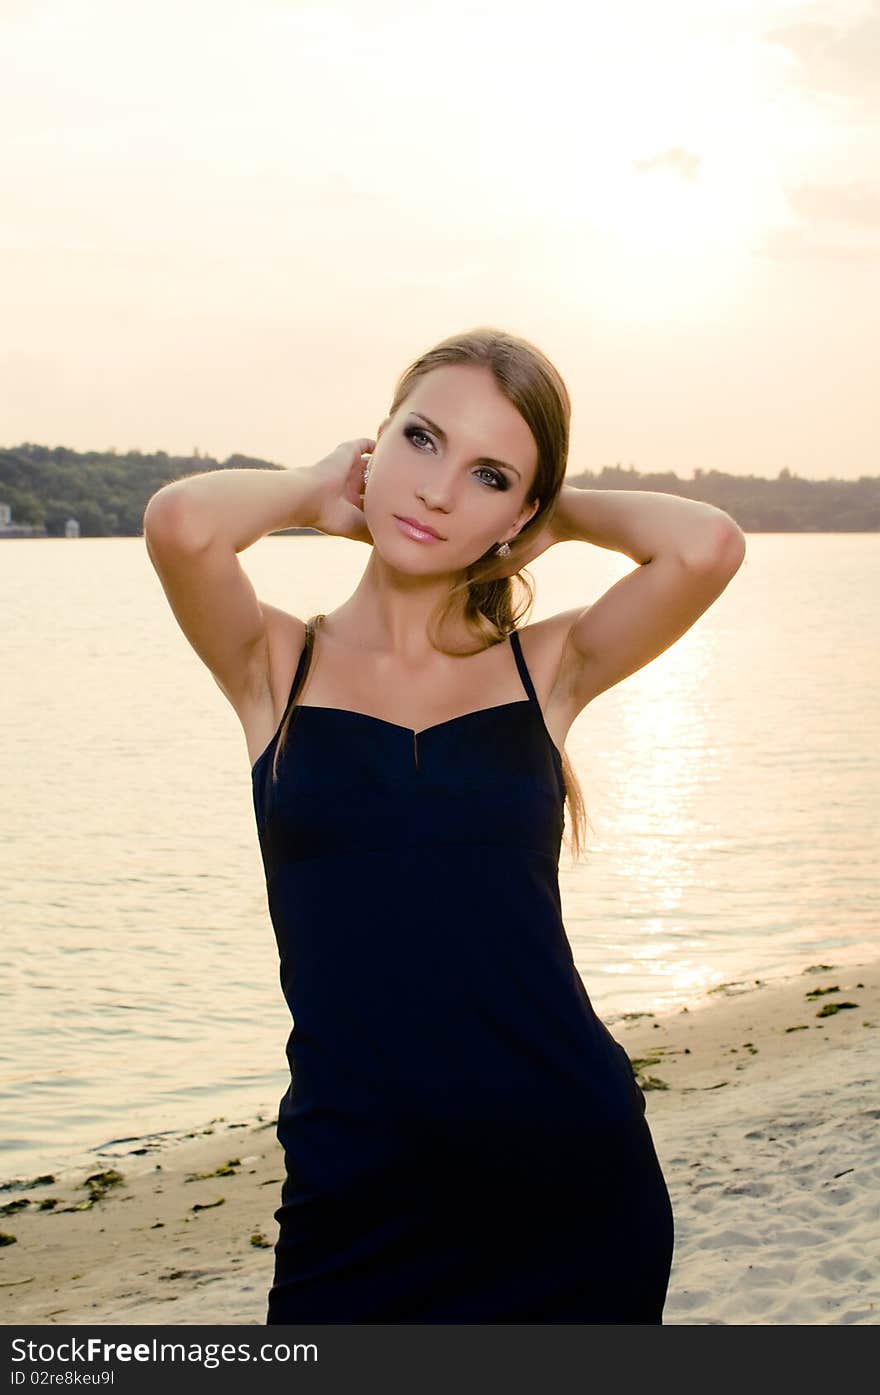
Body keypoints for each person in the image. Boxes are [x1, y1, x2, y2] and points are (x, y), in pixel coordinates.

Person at [143, 326, 745, 1323]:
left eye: (489, 475)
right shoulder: (272, 666)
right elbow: (180, 524)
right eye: (421, 442)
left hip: (567, 1186)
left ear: (520, 511)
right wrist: (311, 491)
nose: (436, 491)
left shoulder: (543, 670)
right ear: (375, 446)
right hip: (354, 1199)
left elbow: (707, 545)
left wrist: (556, 515)